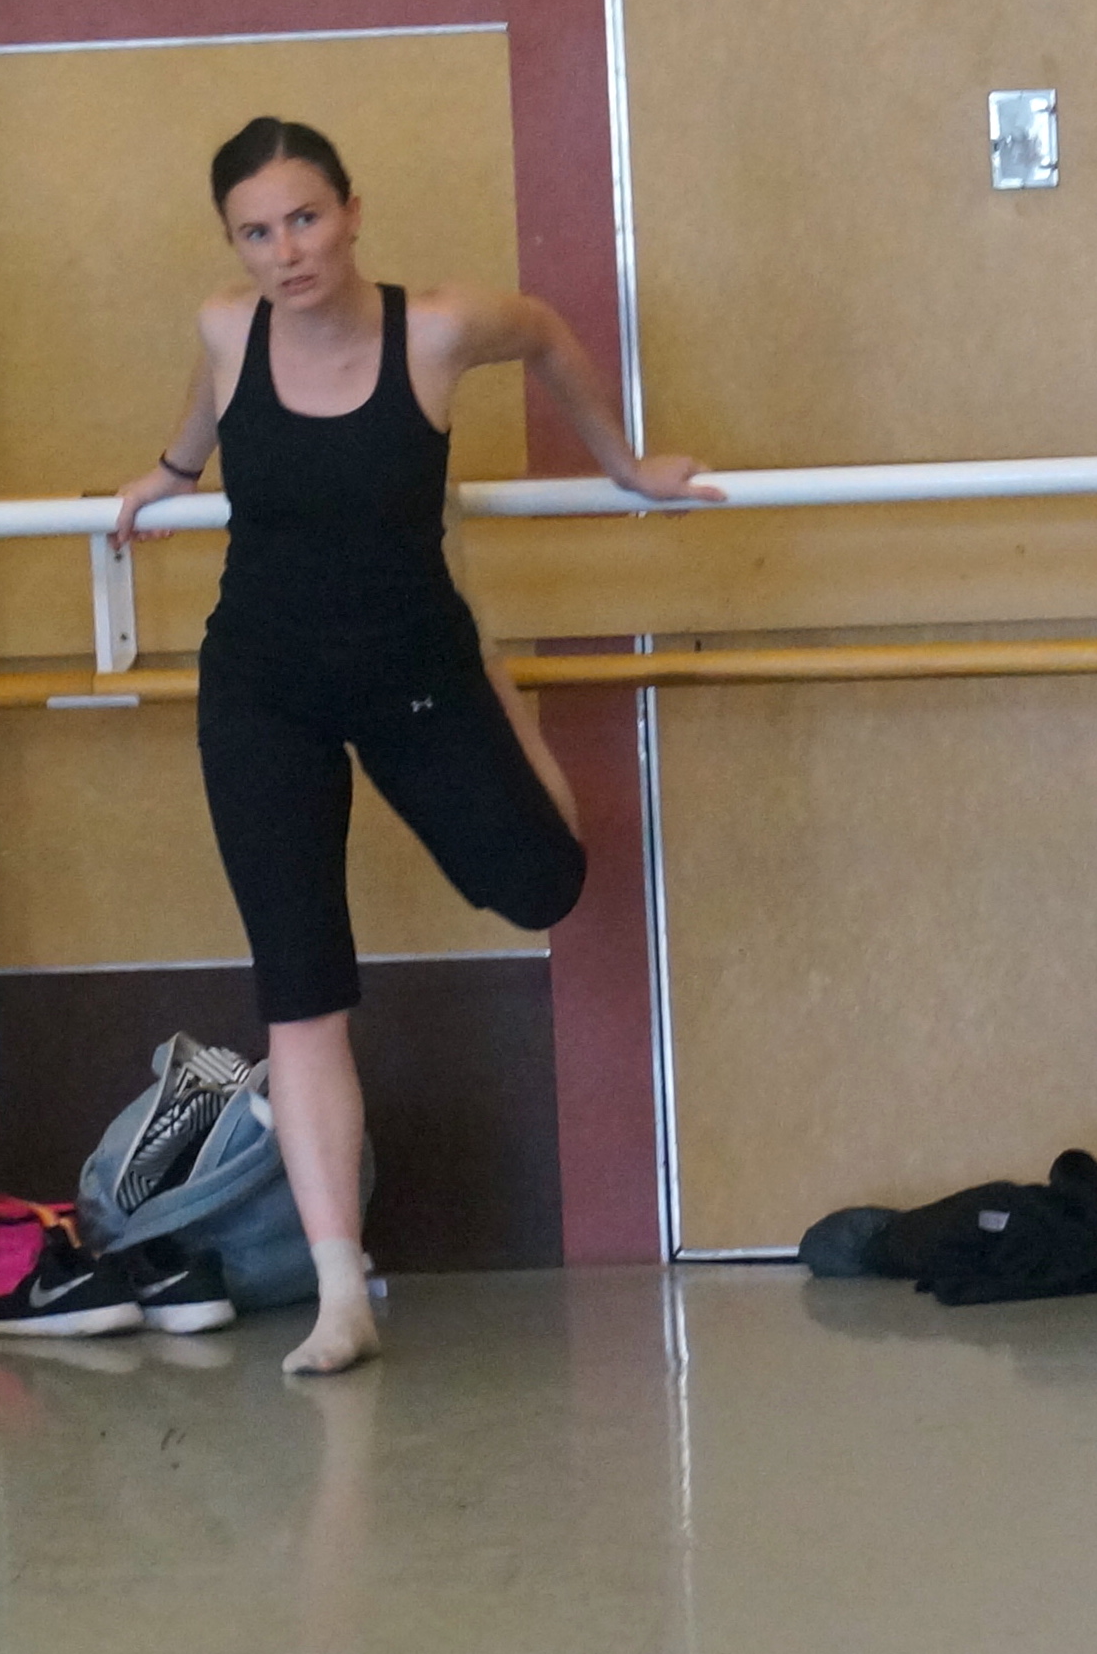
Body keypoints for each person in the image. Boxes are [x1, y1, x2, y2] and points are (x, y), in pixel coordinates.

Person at [108, 118, 716, 1376]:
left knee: (543, 883)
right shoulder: (228, 327)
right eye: (257, 232)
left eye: (306, 218)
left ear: (351, 211)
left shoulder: (434, 328)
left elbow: (545, 334)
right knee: (300, 990)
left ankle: (491, 668)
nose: (287, 251)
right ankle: (342, 1293)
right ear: (234, 244)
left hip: (417, 672)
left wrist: (625, 465)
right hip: (262, 685)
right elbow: (208, 402)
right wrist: (169, 473)